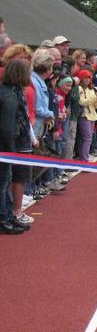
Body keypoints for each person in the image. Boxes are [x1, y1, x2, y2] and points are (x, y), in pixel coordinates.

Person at [0, 59, 35, 233]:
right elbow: (6, 127)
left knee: (5, 181)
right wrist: (11, 150)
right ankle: (3, 220)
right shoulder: (9, 96)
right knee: (3, 182)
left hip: (8, 144)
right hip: (5, 147)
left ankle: (7, 216)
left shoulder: (13, 93)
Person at [76, 69, 97, 161]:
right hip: (84, 115)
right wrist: (95, 97)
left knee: (87, 138)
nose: (87, 80)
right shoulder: (79, 88)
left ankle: (84, 157)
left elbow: (95, 105)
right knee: (87, 138)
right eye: (85, 78)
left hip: (92, 115)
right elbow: (82, 102)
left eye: (89, 78)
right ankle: (84, 159)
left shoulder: (90, 89)